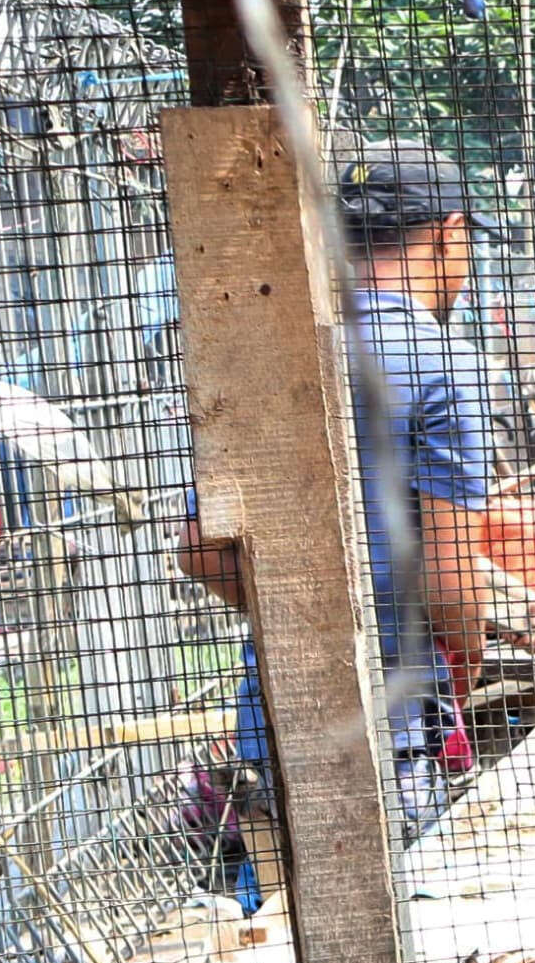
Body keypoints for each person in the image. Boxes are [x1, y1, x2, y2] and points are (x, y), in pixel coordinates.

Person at [176, 140, 496, 838]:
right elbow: (447, 583)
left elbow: (201, 549)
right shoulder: (446, 362)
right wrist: (460, 675)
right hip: (395, 720)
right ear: (449, 234)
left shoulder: (260, 354)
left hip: (276, 713)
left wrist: (301, 618)